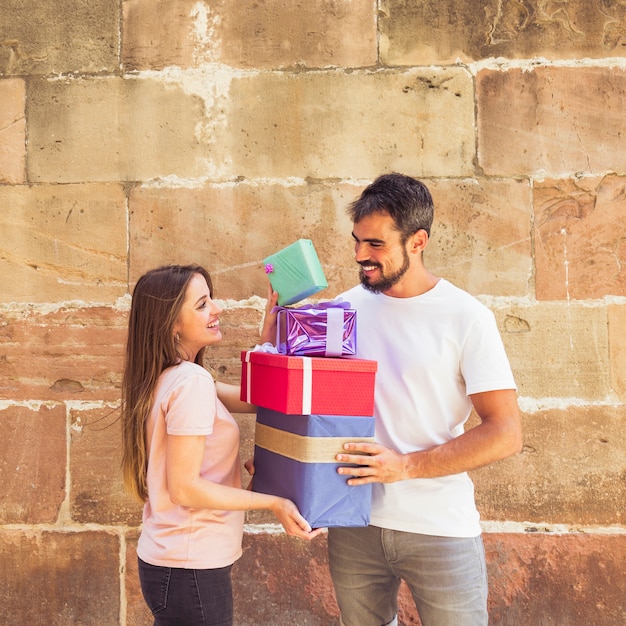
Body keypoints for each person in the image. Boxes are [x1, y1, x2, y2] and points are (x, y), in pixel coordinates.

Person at [327, 174, 523, 626]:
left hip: (440, 528)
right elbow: (314, 404)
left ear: (418, 241)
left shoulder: (467, 317)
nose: (360, 256)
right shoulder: (343, 309)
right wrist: (291, 469)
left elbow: (506, 432)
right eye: (357, 241)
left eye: (375, 244)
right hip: (354, 523)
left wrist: (406, 466)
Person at [121, 264, 322, 626]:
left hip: (175, 562)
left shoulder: (171, 376)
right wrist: (274, 502)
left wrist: (270, 341)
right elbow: (184, 488)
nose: (217, 309)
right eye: (201, 304)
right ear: (171, 324)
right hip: (189, 565)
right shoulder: (190, 382)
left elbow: (259, 400)